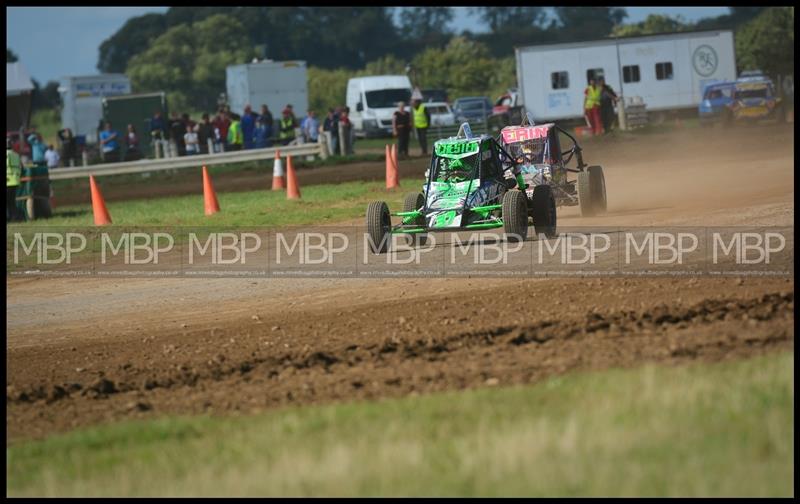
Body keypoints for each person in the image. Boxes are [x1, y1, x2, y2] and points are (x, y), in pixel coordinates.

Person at [7, 137, 24, 221]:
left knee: (9, 202)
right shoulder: (16, 155)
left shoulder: (7, 154)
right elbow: (22, 167)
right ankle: (14, 217)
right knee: (11, 202)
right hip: (15, 181)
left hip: (8, 181)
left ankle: (11, 217)